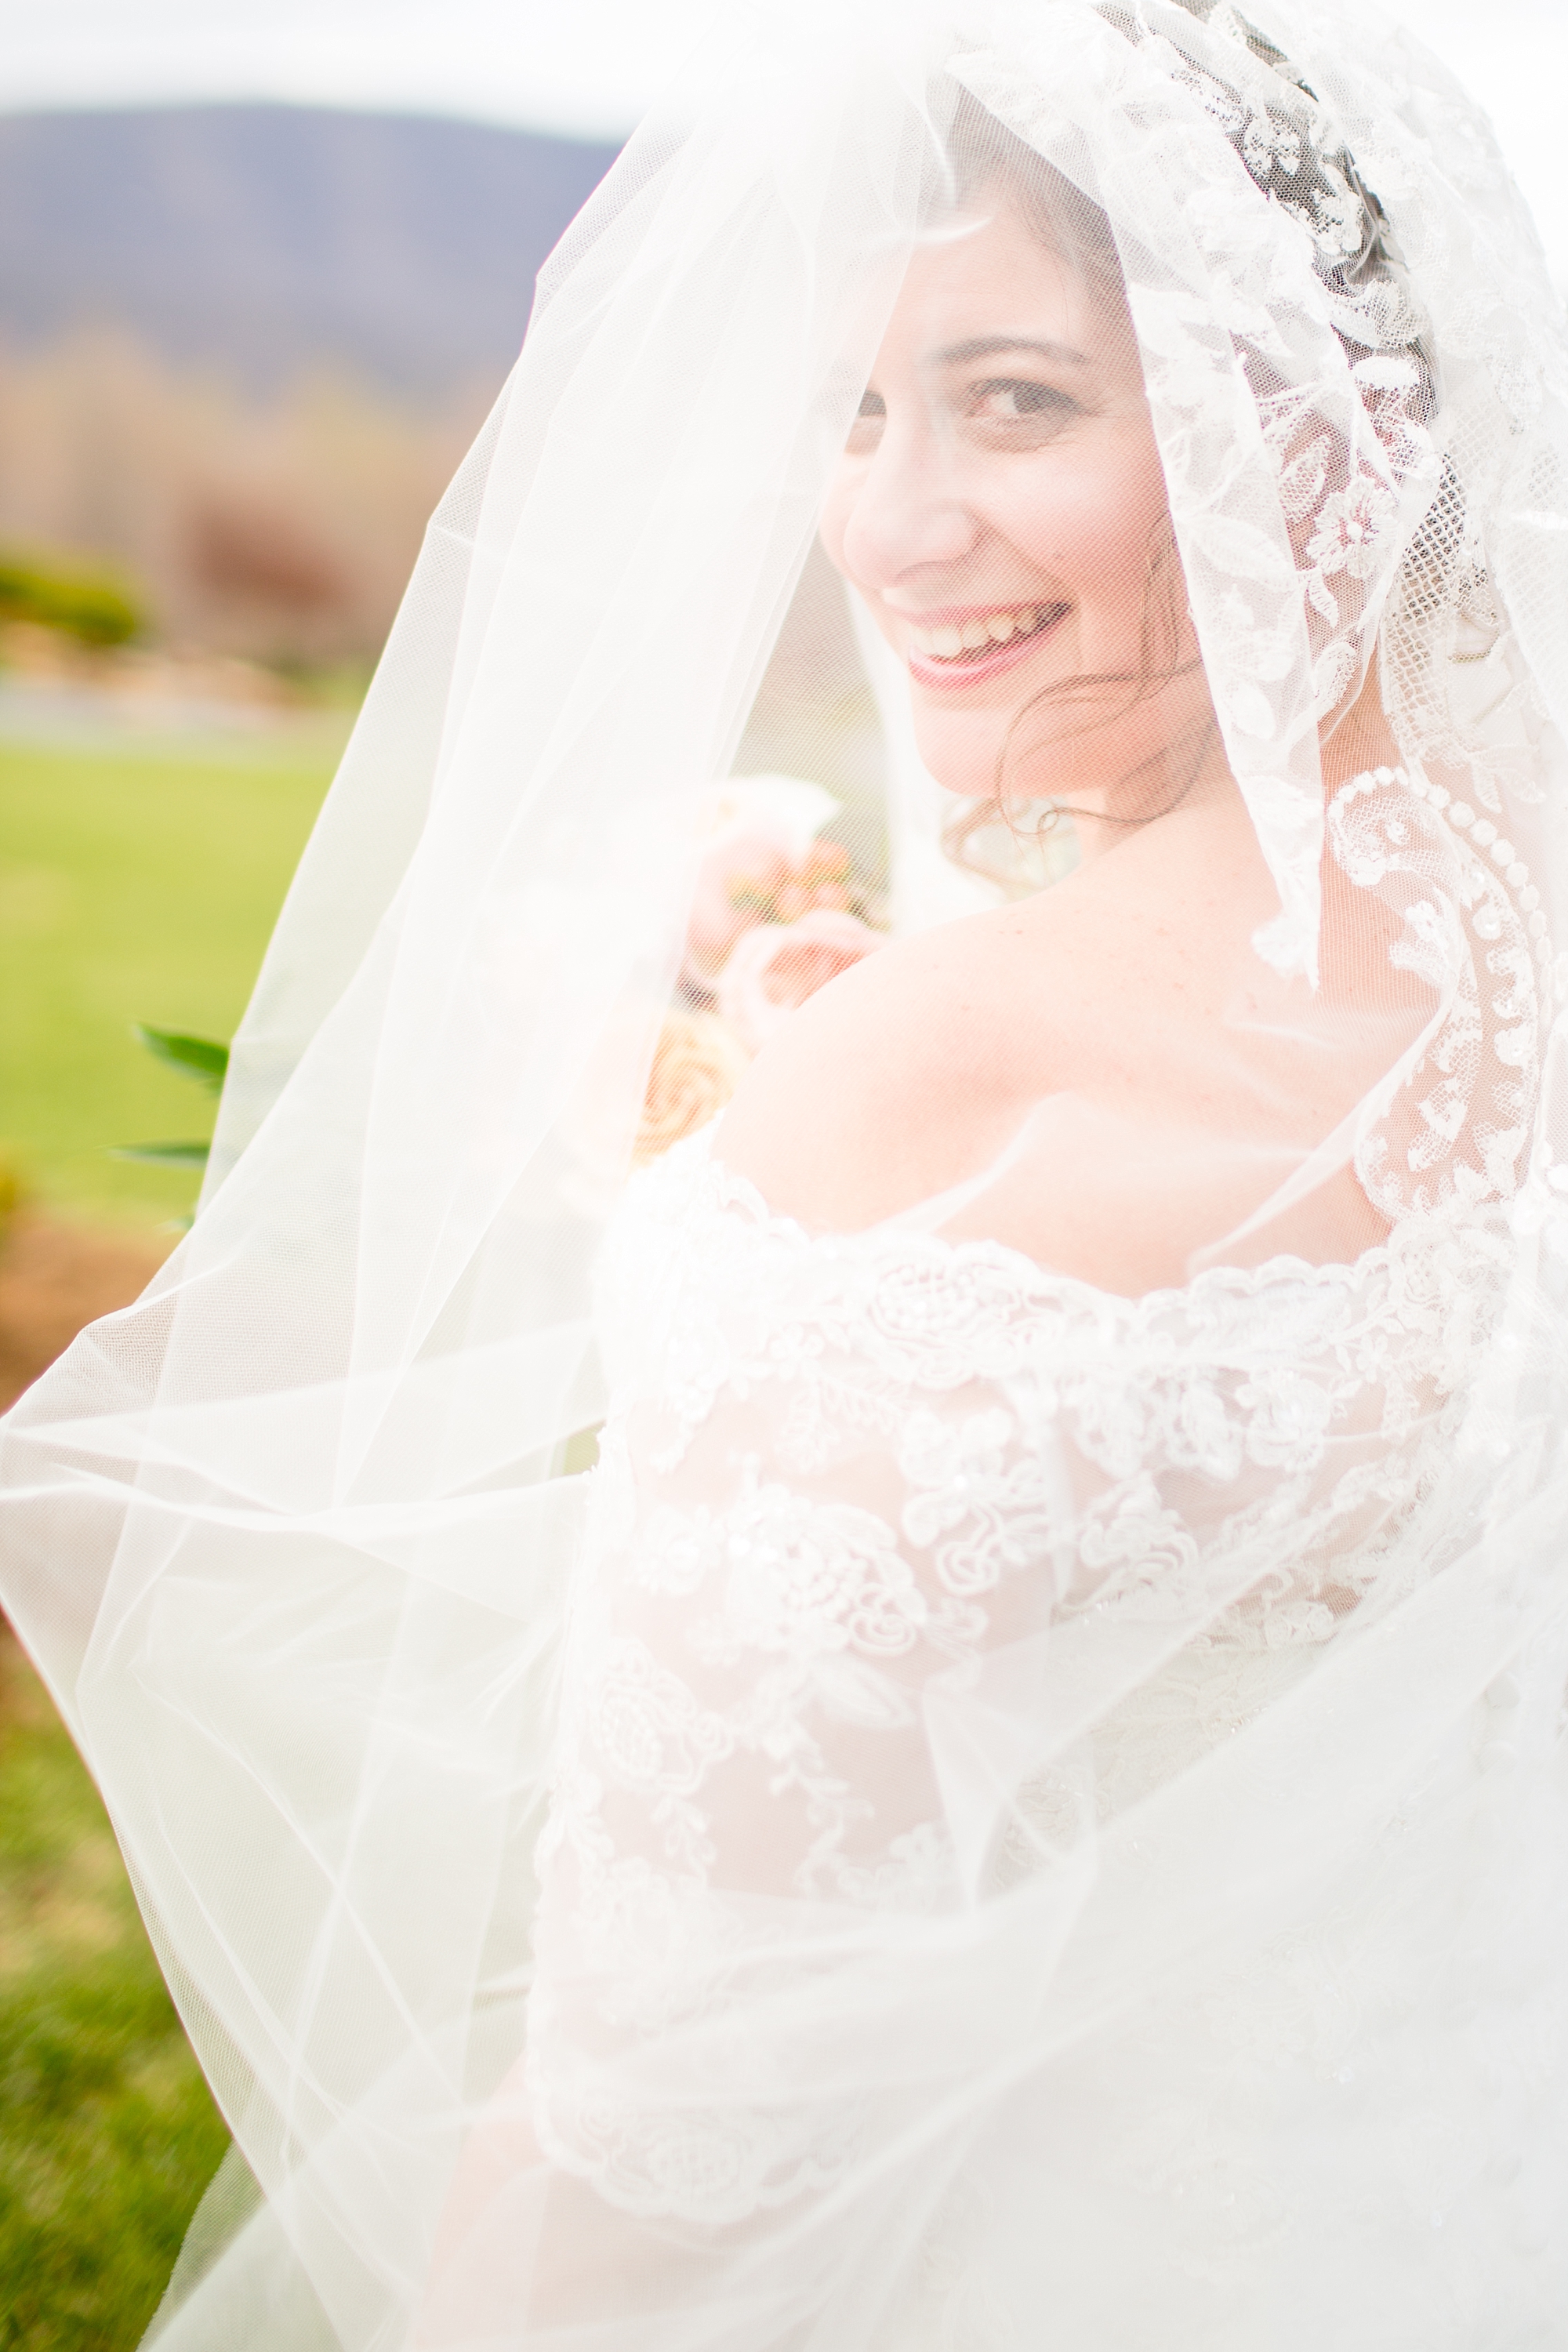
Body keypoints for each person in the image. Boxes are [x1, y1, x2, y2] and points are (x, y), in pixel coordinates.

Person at [5, 1, 1568, 2343]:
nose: (891, 518)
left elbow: (659, 2137)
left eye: (1016, 397)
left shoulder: (923, 1102)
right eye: (854, 406)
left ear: (1320, 435)